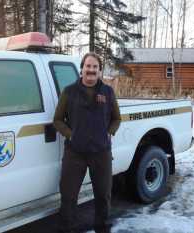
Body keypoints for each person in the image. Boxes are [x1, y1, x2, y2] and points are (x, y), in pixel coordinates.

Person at [53, 52, 121, 233]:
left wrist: (109, 133)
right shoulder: (69, 92)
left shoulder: (107, 92)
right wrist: (70, 135)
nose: (91, 70)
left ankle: (102, 228)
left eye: (95, 67)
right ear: (81, 69)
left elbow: (117, 119)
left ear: (99, 71)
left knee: (103, 196)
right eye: (88, 66)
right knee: (68, 197)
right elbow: (57, 120)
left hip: (101, 153)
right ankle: (67, 229)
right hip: (75, 153)